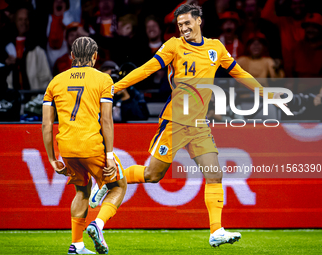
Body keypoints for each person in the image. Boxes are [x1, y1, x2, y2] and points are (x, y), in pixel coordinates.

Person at [90, 3, 284, 247]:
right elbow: (147, 69)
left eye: (187, 23)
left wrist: (265, 93)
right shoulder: (174, 46)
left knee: (214, 174)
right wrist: (115, 87)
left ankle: (216, 230)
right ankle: (112, 180)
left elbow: (240, 72)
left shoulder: (215, 47)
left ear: (199, 20)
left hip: (199, 124)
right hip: (176, 122)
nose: (183, 28)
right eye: (179, 25)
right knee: (152, 175)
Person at [42, 36, 127, 254]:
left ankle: (77, 244)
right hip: (90, 144)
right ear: (95, 57)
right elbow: (106, 120)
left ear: (71, 56)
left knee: (82, 190)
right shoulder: (103, 80)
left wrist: (52, 158)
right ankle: (97, 225)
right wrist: (109, 154)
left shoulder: (55, 82)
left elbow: (46, 125)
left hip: (67, 148)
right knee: (119, 186)